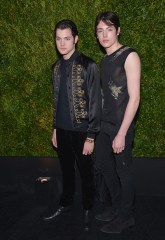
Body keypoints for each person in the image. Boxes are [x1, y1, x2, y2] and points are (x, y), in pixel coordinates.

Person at [43, 19, 101, 231]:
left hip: (82, 131)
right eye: (58, 38)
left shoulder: (89, 65)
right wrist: (55, 128)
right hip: (63, 131)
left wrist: (91, 136)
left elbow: (95, 102)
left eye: (67, 38)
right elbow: (57, 100)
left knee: (86, 173)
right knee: (66, 171)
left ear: (75, 39)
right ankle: (66, 203)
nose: (62, 43)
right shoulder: (56, 68)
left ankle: (88, 209)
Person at [94, 11, 141, 233]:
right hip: (105, 125)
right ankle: (116, 206)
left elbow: (134, 97)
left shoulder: (130, 55)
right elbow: (106, 96)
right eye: (100, 31)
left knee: (124, 171)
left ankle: (127, 216)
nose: (104, 35)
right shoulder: (104, 60)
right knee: (104, 164)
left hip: (122, 126)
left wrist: (122, 133)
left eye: (109, 29)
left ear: (118, 30)